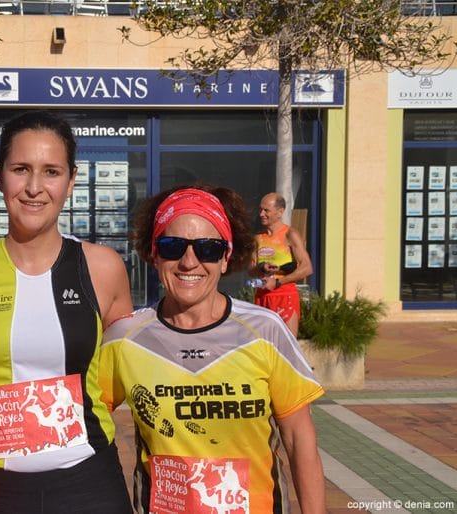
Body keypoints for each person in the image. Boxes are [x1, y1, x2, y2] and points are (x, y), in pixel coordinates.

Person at [0, 110, 134, 514]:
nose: (33, 187)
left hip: (89, 482)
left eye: (51, 172)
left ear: (71, 180)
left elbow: (125, 376)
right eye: (20, 169)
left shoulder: (103, 268)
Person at [99, 185, 326, 514]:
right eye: (173, 246)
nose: (189, 262)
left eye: (208, 248)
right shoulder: (125, 337)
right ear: (155, 255)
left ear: (225, 258)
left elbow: (298, 438)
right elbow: (88, 427)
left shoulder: (265, 330)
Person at [251, 192, 313, 336]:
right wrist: (261, 267)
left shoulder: (290, 234)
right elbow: (251, 269)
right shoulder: (258, 237)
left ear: (280, 212)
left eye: (266, 210)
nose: (261, 214)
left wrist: (278, 283)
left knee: (287, 343)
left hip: (285, 295)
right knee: (263, 344)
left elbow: (307, 268)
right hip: (263, 296)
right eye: (260, 209)